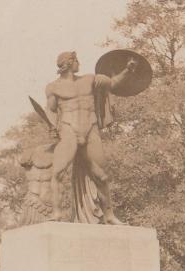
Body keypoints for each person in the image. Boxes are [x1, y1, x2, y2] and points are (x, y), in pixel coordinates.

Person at [44, 51, 136, 224]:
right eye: (77, 60)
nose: (79, 63)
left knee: (102, 176)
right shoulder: (53, 87)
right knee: (57, 172)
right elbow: (50, 110)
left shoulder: (90, 79)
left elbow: (114, 83)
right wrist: (51, 126)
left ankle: (109, 215)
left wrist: (127, 70)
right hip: (69, 130)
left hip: (90, 129)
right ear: (70, 63)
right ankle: (56, 213)